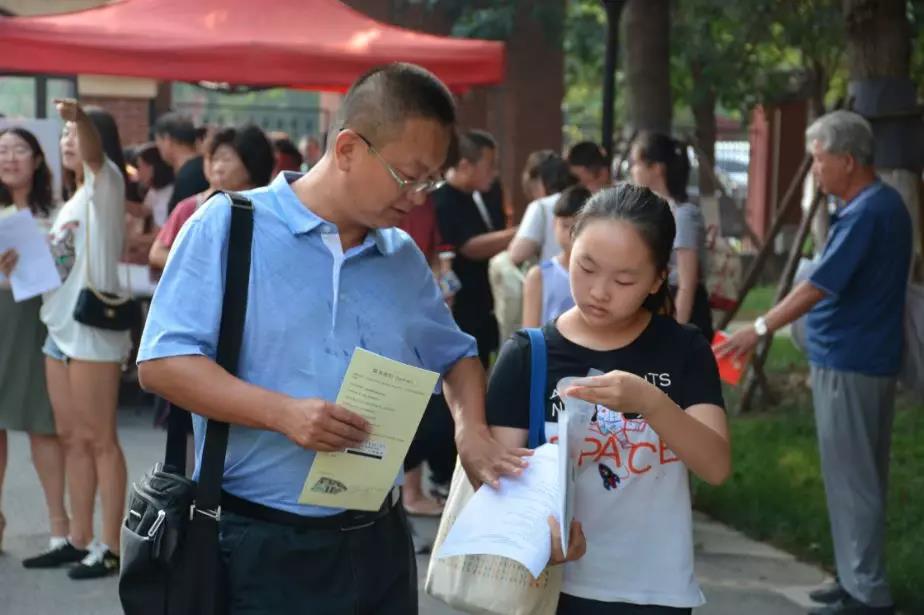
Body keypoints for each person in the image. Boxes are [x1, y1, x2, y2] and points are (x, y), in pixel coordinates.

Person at [137, 63, 528, 614]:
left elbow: (458, 355)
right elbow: (162, 363)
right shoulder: (229, 226)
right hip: (258, 543)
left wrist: (471, 429)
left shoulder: (402, 258)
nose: (418, 197)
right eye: (409, 175)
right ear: (347, 148)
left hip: (376, 544)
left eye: (431, 180)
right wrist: (283, 414)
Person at [488, 183, 731, 614]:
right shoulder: (528, 356)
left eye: (623, 279)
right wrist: (538, 534)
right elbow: (499, 479)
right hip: (551, 585)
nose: (600, 291)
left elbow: (714, 466)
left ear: (658, 279)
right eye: (586, 268)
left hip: (654, 589)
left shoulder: (684, 350)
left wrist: (652, 403)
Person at [718, 111, 911, 615]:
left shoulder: (869, 211)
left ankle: (867, 592)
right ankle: (853, 578)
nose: (815, 169)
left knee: (855, 480)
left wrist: (758, 329)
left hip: (854, 361)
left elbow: (817, 285)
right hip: (854, 357)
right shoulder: (870, 206)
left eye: (819, 159)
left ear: (847, 161)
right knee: (851, 476)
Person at [20, 100, 130, 579]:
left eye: (74, 134)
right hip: (57, 331)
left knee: (99, 440)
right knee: (71, 439)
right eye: (62, 134)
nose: (67, 140)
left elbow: (92, 153)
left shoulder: (106, 185)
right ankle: (79, 539)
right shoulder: (72, 199)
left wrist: (80, 118)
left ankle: (110, 546)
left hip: (93, 332)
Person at [0, 127, 68, 558]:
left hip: (38, 321)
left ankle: (60, 526)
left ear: (38, 160)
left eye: (19, 150)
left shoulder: (58, 212)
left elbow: (68, 270)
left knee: (44, 424)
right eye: (2, 151)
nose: (9, 158)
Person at [434, 129, 516, 368]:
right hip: (459, 309)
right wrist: (518, 234)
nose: (494, 173)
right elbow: (468, 246)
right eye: (489, 165)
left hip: (487, 303)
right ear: (465, 165)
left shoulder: (488, 193)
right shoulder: (441, 200)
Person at [149, 125, 274, 270]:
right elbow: (158, 253)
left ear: (252, 163)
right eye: (215, 160)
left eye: (226, 160)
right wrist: (199, 268)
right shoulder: (192, 207)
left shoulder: (268, 211)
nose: (217, 168)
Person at [630, 132, 713, 341]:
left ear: (656, 168)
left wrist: (677, 334)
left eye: (637, 163)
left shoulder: (683, 215)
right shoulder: (646, 211)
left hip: (679, 306)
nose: (632, 170)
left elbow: (687, 282)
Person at [521, 185, 590, 328]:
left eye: (577, 227)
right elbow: (530, 333)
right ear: (554, 224)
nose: (571, 234)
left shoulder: (598, 276)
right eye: (565, 226)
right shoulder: (539, 275)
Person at [508, 154, 578, 266]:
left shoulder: (541, 206)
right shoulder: (586, 201)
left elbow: (517, 254)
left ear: (539, 181)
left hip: (551, 279)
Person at [153, 112, 208, 214]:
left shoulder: (188, 177)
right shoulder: (203, 167)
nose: (158, 147)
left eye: (158, 141)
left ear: (167, 139)